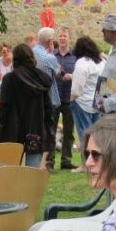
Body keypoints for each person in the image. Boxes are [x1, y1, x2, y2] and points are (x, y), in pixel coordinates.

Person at [0, 44, 54, 168]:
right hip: (35, 129)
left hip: (13, 130)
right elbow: (48, 108)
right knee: (31, 173)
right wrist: (48, 129)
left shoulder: (9, 79)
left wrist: (1, 129)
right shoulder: (41, 79)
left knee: (12, 171)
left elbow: (3, 108)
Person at [69, 36, 105, 161]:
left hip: (83, 102)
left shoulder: (82, 63)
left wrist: (71, 98)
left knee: (85, 135)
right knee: (96, 136)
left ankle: (86, 163)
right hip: (98, 101)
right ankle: (97, 159)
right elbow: (105, 81)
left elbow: (77, 87)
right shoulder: (101, 61)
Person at [33, 28, 62, 171]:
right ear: (50, 42)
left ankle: (35, 160)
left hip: (32, 99)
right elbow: (57, 72)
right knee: (49, 131)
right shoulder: (49, 58)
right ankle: (46, 164)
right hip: (49, 98)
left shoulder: (30, 53)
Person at [52, 27, 77, 169]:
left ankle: (66, 160)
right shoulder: (52, 56)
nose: (62, 38)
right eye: (60, 36)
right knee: (51, 130)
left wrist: (72, 76)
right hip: (54, 98)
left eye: (65, 36)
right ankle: (49, 161)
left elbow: (80, 74)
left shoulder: (75, 56)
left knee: (69, 131)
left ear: (69, 38)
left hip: (69, 98)